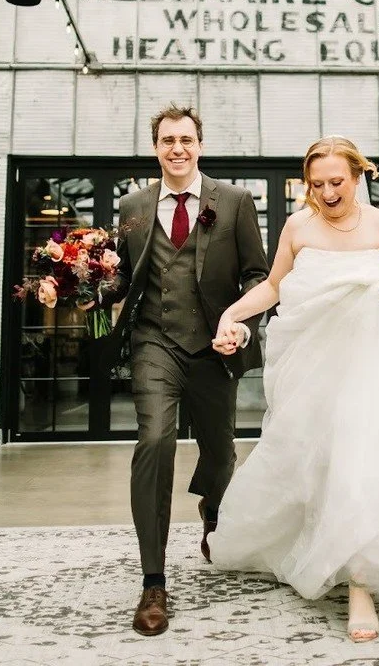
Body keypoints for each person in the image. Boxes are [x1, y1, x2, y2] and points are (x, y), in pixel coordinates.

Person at [206, 136, 379, 642]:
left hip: (378, 362)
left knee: (367, 464)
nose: (327, 193)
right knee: (323, 463)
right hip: (316, 368)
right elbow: (273, 286)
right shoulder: (297, 225)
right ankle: (321, 548)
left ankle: (360, 584)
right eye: (317, 185)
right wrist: (232, 312)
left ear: (358, 177)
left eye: (337, 182)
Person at [98, 105, 270, 637]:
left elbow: (257, 274)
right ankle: (153, 580)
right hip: (154, 342)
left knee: (220, 452)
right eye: (168, 140)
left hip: (216, 347)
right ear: (156, 147)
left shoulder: (236, 202)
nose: (178, 148)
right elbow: (120, 277)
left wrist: (239, 324)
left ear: (200, 144)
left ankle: (213, 505)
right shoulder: (132, 206)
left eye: (187, 139)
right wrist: (88, 289)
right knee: (153, 441)